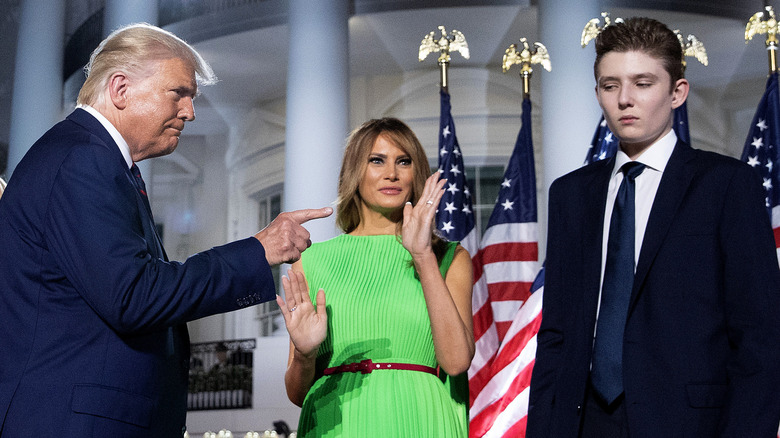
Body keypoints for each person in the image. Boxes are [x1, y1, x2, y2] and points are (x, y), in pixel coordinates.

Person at [0, 23, 331, 436]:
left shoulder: (96, 160)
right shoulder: (83, 159)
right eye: (179, 93)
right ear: (120, 89)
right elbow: (133, 296)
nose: (190, 112)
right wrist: (256, 251)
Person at [527, 17, 780, 437]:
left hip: (690, 423)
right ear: (598, 94)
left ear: (676, 92)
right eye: (611, 86)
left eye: (642, 83)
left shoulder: (727, 185)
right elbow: (556, 334)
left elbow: (760, 338)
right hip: (581, 422)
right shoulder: (570, 194)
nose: (625, 99)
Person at [277, 118, 474, 437]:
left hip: (421, 417)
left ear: (416, 172)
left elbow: (456, 363)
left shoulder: (449, 257)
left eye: (403, 161)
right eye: (377, 160)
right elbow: (298, 395)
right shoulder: (311, 262)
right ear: (355, 171)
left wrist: (422, 256)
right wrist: (304, 354)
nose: (392, 173)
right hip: (336, 421)